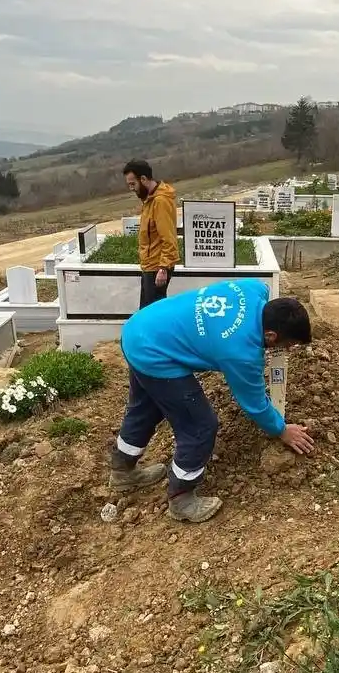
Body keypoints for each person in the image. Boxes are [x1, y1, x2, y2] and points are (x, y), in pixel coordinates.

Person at [108, 279, 315, 523]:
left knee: (146, 407)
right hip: (155, 353)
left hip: (140, 329)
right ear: (270, 335)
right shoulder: (241, 353)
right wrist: (281, 429)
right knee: (199, 425)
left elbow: (259, 285)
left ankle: (122, 471)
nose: (288, 350)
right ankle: (182, 499)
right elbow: (255, 404)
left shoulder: (253, 290)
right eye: (288, 344)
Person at [123, 159, 180, 308]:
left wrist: (164, 268)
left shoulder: (160, 201)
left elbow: (168, 238)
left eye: (132, 184)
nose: (131, 188)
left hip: (157, 268)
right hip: (150, 266)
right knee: (150, 312)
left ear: (143, 179)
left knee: (152, 314)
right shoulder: (149, 200)